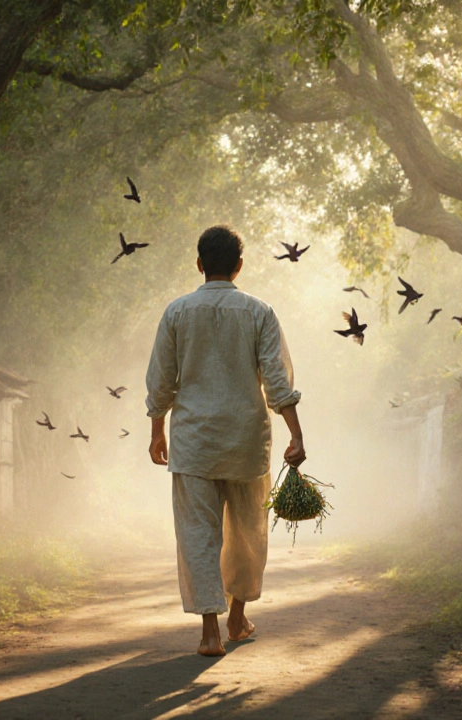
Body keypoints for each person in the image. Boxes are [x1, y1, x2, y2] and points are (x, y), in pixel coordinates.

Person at [145, 225, 306, 657]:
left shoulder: (177, 312)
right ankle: (237, 616)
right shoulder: (259, 312)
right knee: (247, 532)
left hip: (194, 443)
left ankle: (209, 631)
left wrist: (157, 431)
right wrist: (296, 433)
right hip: (246, 443)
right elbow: (277, 380)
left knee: (199, 534)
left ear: (200, 264)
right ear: (239, 266)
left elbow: (161, 381)